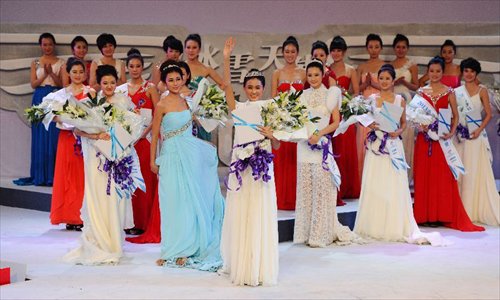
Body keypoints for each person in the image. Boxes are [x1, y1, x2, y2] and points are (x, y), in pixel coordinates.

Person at [354, 64, 446, 245]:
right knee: (375, 182)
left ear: (393, 80)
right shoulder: (372, 98)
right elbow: (363, 119)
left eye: (387, 78)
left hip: (393, 145)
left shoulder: (400, 100)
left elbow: (404, 123)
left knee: (392, 183)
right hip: (376, 145)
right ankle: (374, 224)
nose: (384, 82)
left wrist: (399, 131)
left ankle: (393, 224)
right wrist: (370, 125)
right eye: (381, 78)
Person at [64, 65, 141, 265]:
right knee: (98, 196)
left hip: (117, 157)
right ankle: (98, 240)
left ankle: (114, 242)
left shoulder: (123, 101)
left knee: (115, 198)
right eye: (105, 83)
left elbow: (133, 127)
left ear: (117, 83)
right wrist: (97, 135)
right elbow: (77, 131)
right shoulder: (90, 102)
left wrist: (123, 138)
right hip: (96, 157)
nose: (109, 86)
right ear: (99, 83)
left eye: (112, 83)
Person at [151, 63, 224, 271]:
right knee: (172, 203)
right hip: (170, 156)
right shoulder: (161, 105)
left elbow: (201, 125)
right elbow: (155, 135)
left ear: (183, 79)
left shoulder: (188, 102)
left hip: (190, 154)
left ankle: (189, 248)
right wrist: (152, 161)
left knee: (189, 202)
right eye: (170, 80)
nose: (175, 83)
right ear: (165, 82)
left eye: (178, 79)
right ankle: (172, 250)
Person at [220, 38, 279, 286]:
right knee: (242, 210)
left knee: (259, 211)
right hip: (241, 165)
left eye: (258, 87)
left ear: (263, 88)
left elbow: (277, 145)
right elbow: (225, 87)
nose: (254, 91)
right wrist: (225, 58)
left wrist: (271, 135)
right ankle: (242, 262)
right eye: (250, 87)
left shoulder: (270, 108)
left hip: (262, 166)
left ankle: (258, 264)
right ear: (244, 88)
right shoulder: (239, 107)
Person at [412, 56, 484, 232]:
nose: (435, 74)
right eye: (431, 71)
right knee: (424, 175)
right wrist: (420, 126)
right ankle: (424, 215)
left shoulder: (449, 91)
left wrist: (451, 132)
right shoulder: (421, 92)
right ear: (427, 72)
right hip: (424, 139)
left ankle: (440, 214)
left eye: (438, 71)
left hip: (442, 141)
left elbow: (455, 115)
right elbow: (412, 114)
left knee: (441, 176)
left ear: (442, 72)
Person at [293, 60, 359, 247]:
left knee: (322, 190)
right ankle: (305, 234)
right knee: (306, 191)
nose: (313, 78)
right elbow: (297, 121)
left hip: (321, 145)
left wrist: (319, 134)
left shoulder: (331, 94)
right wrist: (304, 135)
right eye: (310, 75)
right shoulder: (301, 96)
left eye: (316, 75)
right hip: (304, 146)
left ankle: (320, 234)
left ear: (323, 75)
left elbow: (336, 122)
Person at [117, 49, 159, 236]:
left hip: (145, 141)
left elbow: (158, 114)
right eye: (131, 66)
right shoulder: (121, 90)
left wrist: (145, 132)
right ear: (127, 68)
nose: (135, 69)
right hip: (127, 142)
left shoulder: (150, 88)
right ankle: (129, 221)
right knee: (129, 180)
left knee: (145, 179)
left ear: (143, 68)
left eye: (138, 66)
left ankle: (144, 222)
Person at [14, 33, 64, 186]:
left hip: (55, 96)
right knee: (40, 135)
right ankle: (40, 175)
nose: (47, 47)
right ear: (41, 45)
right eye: (44, 44)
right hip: (39, 96)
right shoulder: (35, 62)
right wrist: (44, 75)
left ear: (54, 45)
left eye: (50, 44)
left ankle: (53, 176)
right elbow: (33, 84)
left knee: (54, 135)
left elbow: (62, 84)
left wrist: (51, 74)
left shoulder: (61, 62)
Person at [453, 57, 499, 226]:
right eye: (466, 71)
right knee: (462, 172)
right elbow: (454, 114)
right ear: (462, 72)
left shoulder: (482, 91)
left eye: (472, 71)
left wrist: (479, 130)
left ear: (476, 73)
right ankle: (462, 209)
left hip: (476, 137)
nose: (469, 74)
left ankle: (475, 209)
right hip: (461, 138)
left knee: (474, 172)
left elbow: (489, 114)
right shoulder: (457, 92)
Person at [46, 58, 88, 231]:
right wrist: (63, 118)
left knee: (81, 176)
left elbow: (95, 115)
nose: (77, 75)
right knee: (67, 175)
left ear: (85, 73)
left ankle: (80, 216)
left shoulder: (90, 92)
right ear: (68, 73)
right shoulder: (60, 94)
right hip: (66, 138)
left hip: (84, 138)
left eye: (80, 72)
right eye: (74, 72)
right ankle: (67, 216)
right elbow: (51, 115)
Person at [270, 36, 306, 210]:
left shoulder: (304, 73)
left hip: (298, 121)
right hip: (282, 121)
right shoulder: (277, 73)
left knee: (297, 158)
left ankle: (298, 197)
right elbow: (273, 99)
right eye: (286, 52)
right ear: (282, 53)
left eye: (293, 51)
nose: (290, 55)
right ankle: (282, 197)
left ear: (297, 53)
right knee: (283, 159)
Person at [329, 36, 361, 201]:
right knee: (335, 149)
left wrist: (345, 96)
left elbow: (356, 92)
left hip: (345, 114)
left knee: (346, 150)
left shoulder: (350, 70)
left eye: (339, 50)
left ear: (344, 52)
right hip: (332, 114)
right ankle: (336, 186)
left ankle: (349, 187)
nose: (336, 53)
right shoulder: (327, 69)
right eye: (333, 50)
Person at [184, 33, 225, 141]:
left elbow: (223, 85)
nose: (191, 50)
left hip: (198, 114)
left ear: (199, 49)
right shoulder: (179, 67)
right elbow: (162, 85)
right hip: (182, 111)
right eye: (188, 47)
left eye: (194, 47)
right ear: (185, 49)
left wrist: (211, 102)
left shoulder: (206, 69)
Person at [390, 34, 419, 182]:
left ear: (407, 48)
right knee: (392, 132)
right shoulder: (389, 65)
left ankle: (407, 175)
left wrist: (405, 84)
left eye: (403, 47)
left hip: (407, 99)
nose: (400, 50)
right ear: (394, 48)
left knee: (406, 133)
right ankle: (393, 173)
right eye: (398, 47)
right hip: (393, 98)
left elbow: (417, 85)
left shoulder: (412, 65)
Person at [356, 33, 385, 180]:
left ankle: (378, 178)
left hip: (380, 106)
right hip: (365, 107)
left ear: (380, 48)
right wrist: (365, 84)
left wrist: (374, 84)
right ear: (367, 48)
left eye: (376, 47)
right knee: (364, 140)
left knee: (380, 136)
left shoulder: (385, 65)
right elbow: (354, 89)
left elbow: (388, 87)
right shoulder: (362, 67)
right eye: (370, 47)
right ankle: (364, 178)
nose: (373, 50)